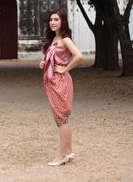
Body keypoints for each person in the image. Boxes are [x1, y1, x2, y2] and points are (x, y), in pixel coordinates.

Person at [39, 9, 83, 166]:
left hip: (60, 81)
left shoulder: (65, 39)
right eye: (51, 19)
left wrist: (64, 69)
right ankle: (69, 151)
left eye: (56, 19)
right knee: (62, 118)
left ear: (62, 21)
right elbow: (55, 58)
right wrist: (44, 64)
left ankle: (61, 155)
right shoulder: (55, 38)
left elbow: (79, 56)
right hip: (52, 80)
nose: (52, 22)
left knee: (62, 119)